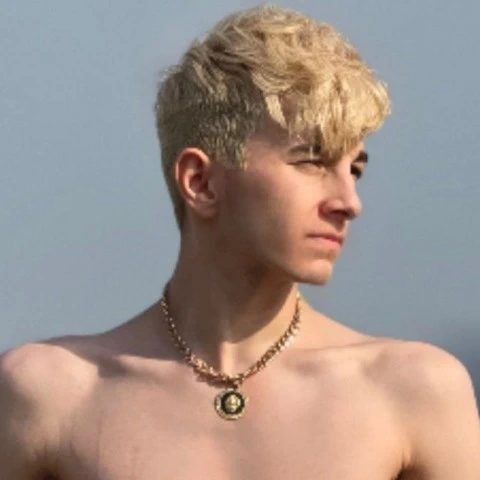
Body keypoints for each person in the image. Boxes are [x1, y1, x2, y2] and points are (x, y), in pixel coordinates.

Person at [1, 4, 479, 479]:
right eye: (312, 161)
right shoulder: (49, 395)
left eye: (354, 169)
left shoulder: (411, 391)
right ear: (201, 182)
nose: (349, 202)